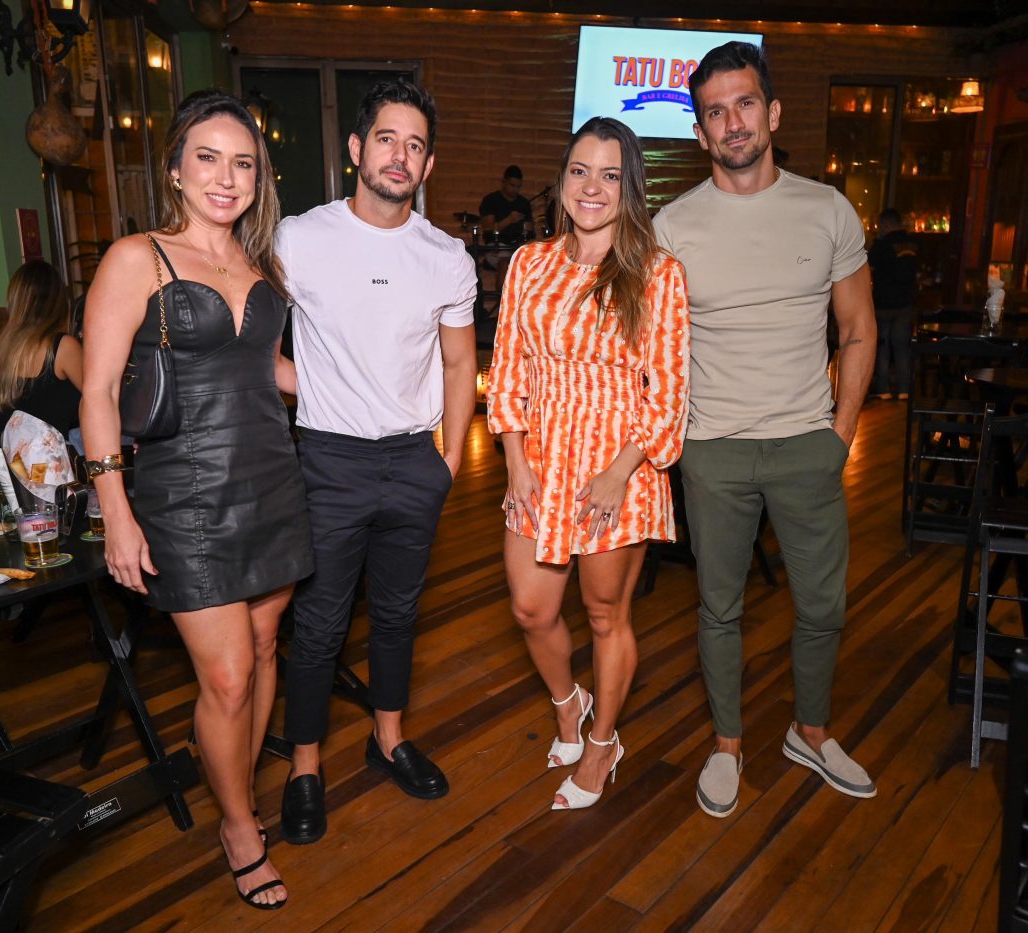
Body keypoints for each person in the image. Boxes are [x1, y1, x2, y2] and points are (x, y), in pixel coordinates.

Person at [80, 89, 312, 910]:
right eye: (207, 158)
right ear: (176, 169)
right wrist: (116, 511)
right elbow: (100, 390)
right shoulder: (138, 257)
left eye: (242, 162)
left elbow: (270, 374)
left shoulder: (261, 265)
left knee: (261, 650)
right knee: (228, 671)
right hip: (185, 497)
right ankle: (239, 826)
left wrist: (375, 389)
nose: (226, 176)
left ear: (259, 177)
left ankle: (229, 774)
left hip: (272, 480)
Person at [653, 41, 879, 819]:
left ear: (773, 112)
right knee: (719, 607)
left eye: (745, 103)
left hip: (807, 445)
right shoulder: (671, 226)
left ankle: (810, 732)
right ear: (700, 131)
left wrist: (840, 435)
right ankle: (727, 745)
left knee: (823, 604)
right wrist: (678, 441)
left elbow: (857, 329)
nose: (733, 122)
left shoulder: (828, 209)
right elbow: (651, 348)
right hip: (712, 450)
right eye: (715, 111)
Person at [275, 79, 477, 845]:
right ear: (357, 150)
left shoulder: (446, 256)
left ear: (428, 166)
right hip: (327, 460)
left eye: (415, 144)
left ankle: (387, 736)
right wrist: (312, 386)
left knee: (397, 614)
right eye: (387, 138)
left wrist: (451, 459)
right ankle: (304, 765)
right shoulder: (299, 237)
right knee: (320, 623)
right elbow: (257, 342)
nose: (400, 155)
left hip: (413, 462)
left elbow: (460, 364)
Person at [487, 117, 689, 811]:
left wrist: (620, 469)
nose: (592, 187)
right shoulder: (529, 263)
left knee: (607, 616)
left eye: (609, 174)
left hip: (617, 471)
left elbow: (668, 393)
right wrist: (514, 460)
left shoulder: (657, 273)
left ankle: (603, 740)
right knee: (530, 605)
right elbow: (508, 367)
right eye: (579, 170)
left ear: (629, 186)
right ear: (562, 179)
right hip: (539, 460)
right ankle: (568, 701)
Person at [0, 260, 82, 437]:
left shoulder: (3, 348)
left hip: (14, 461)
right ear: (58, 300)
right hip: (54, 461)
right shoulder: (62, 347)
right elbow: (100, 397)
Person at [868, 208, 919, 400]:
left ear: (887, 224)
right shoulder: (913, 243)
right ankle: (904, 389)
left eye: (880, 225)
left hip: (883, 303)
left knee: (882, 346)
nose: (879, 229)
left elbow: (869, 269)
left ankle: (883, 389)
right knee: (901, 346)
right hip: (905, 303)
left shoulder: (881, 245)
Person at [479, 164, 534, 245]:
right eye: (512, 185)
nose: (515, 189)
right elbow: (488, 229)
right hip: (496, 245)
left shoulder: (524, 202)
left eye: (518, 186)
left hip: (518, 245)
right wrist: (509, 220)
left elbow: (528, 230)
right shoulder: (490, 200)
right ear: (504, 182)